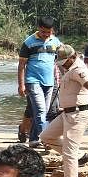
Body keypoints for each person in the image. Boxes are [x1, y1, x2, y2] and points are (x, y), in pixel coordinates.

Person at [40, 45, 88, 177]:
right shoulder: (69, 67)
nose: (62, 65)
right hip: (66, 114)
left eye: (64, 62)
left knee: (68, 155)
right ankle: (81, 155)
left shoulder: (80, 69)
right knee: (46, 136)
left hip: (78, 115)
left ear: (72, 57)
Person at [17, 15, 62, 147]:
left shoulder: (55, 41)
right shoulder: (29, 42)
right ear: (38, 28)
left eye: (48, 32)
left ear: (52, 30)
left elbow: (61, 58)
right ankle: (47, 140)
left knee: (43, 112)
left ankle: (33, 139)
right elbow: (21, 65)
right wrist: (21, 85)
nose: (45, 35)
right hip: (33, 81)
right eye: (43, 32)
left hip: (50, 83)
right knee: (41, 111)